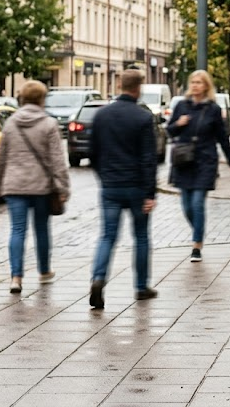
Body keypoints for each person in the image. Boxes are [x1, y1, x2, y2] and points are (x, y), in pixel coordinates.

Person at [88, 69, 158, 308]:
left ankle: (98, 278)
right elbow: (149, 158)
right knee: (141, 236)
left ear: (120, 85)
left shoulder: (102, 115)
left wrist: (104, 177)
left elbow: (93, 153)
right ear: (138, 89)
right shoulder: (143, 117)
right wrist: (150, 193)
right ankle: (141, 286)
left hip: (111, 187)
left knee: (107, 236)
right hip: (137, 187)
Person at [0, 80, 70, 294]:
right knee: (41, 229)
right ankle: (44, 271)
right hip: (41, 186)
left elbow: (1, 157)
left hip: (14, 185)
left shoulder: (11, 123)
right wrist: (63, 187)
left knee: (17, 229)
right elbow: (57, 159)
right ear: (41, 99)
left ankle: (16, 277)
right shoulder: (48, 124)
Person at [166, 70, 230, 262]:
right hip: (184, 161)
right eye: (193, 82)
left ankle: (196, 245)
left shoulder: (213, 109)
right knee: (186, 206)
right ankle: (198, 230)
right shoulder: (182, 106)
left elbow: (222, 138)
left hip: (205, 162)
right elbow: (170, 131)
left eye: (199, 82)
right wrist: (179, 123)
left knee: (197, 203)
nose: (195, 85)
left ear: (206, 86)